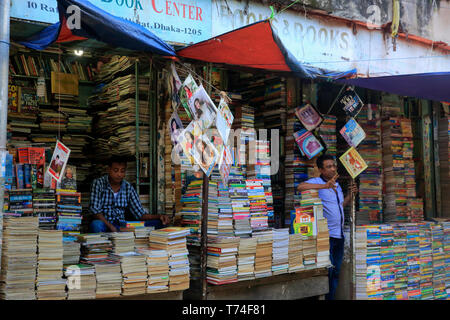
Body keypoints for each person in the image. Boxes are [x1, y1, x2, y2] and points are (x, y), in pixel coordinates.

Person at [296, 154, 358, 300]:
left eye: (334, 166)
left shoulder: (336, 185)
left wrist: (351, 195)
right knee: (327, 271)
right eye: (328, 167)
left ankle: (330, 298)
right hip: (326, 236)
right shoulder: (317, 181)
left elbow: (340, 206)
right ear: (321, 170)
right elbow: (300, 187)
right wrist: (324, 186)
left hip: (339, 235)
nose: (332, 169)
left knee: (336, 272)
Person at [89, 156, 170, 233]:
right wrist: (110, 227)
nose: (119, 174)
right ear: (109, 169)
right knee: (96, 224)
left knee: (159, 224)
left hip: (122, 225)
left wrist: (159, 216)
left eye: (122, 171)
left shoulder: (128, 187)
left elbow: (140, 214)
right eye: (116, 170)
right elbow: (96, 212)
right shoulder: (98, 184)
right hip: (105, 224)